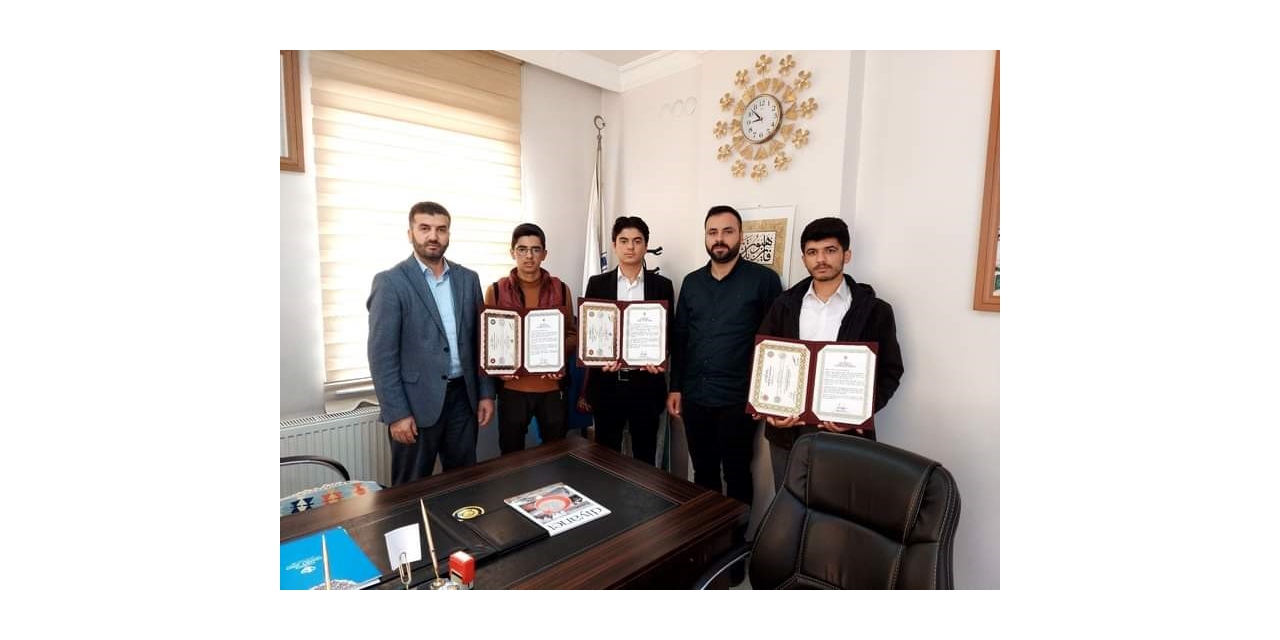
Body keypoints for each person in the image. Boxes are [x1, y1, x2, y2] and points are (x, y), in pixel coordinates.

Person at [755, 217, 904, 491]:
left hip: (846, 435)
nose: (821, 259)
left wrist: (858, 414)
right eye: (812, 252)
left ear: (846, 255)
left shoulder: (875, 310)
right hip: (787, 433)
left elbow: (890, 371)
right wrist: (769, 411)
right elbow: (764, 362)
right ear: (804, 259)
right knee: (787, 505)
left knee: (841, 507)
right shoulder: (783, 305)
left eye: (830, 250)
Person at [366, 201, 495, 485]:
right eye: (424, 228)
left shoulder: (468, 279)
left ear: (449, 234)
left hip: (463, 399)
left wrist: (486, 393)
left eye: (441, 229)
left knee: (463, 483)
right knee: (410, 487)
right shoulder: (390, 282)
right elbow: (381, 356)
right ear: (410, 233)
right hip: (415, 403)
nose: (433, 236)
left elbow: (480, 342)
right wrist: (397, 414)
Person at [668, 205, 782, 507]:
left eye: (727, 231)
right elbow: (681, 337)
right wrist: (676, 387)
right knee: (702, 471)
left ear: (741, 236)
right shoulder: (692, 282)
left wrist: (765, 397)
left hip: (739, 399)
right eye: (713, 232)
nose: (719, 239)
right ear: (705, 237)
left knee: (737, 473)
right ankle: (708, 531)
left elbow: (774, 343)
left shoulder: (764, 280)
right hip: (695, 395)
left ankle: (738, 535)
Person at [577, 216, 675, 466]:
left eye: (637, 241)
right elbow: (591, 331)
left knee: (645, 459)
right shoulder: (597, 284)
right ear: (614, 245)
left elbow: (669, 332)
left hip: (646, 385)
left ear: (646, 245)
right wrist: (599, 359)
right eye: (623, 241)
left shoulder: (662, 286)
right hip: (607, 385)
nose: (630, 247)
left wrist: (659, 358)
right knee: (606, 459)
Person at [484, 223, 579, 455]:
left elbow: (572, 334)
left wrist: (557, 357)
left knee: (555, 455)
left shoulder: (561, 288)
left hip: (551, 386)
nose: (529, 256)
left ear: (544, 254)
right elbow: (486, 341)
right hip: (512, 387)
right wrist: (498, 370)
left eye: (536, 249)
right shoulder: (496, 290)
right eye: (522, 249)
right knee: (511, 455)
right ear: (512, 252)